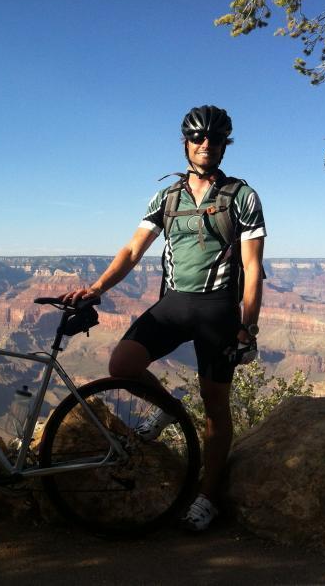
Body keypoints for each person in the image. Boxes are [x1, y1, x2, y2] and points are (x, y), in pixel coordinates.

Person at [62, 105, 266, 532]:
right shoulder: (167, 197)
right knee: (123, 364)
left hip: (217, 312)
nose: (205, 145)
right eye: (197, 138)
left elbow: (251, 267)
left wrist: (248, 325)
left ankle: (207, 496)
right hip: (173, 303)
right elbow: (133, 250)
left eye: (214, 139)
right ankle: (171, 410)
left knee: (215, 405)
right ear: (185, 143)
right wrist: (98, 288)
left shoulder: (242, 196)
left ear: (225, 144)